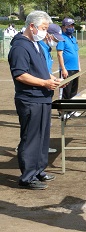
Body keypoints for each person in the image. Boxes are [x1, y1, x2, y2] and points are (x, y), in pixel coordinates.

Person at [8, 11, 61, 190]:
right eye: (43, 28)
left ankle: (39, 169)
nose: (45, 33)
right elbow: (20, 74)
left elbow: (39, 69)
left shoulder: (36, 44)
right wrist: (44, 82)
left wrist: (50, 80)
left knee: (42, 136)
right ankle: (27, 176)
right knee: (30, 137)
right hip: (30, 99)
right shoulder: (20, 47)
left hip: (42, 97)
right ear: (32, 26)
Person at [39, 23, 65, 154]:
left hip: (47, 90)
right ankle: (26, 146)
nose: (56, 42)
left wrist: (55, 80)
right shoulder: (39, 48)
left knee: (45, 122)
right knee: (36, 123)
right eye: (55, 39)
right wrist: (49, 81)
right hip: (39, 91)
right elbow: (37, 72)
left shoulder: (47, 49)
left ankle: (43, 146)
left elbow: (45, 71)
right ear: (47, 35)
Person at [56, 17, 80, 100]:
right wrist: (63, 69)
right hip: (67, 69)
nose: (71, 28)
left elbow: (76, 53)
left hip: (75, 68)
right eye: (69, 26)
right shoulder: (61, 38)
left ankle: (71, 110)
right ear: (63, 27)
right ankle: (63, 111)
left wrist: (79, 67)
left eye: (72, 26)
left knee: (73, 90)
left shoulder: (73, 38)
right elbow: (59, 54)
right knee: (65, 91)